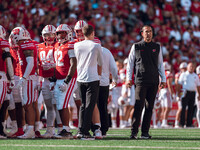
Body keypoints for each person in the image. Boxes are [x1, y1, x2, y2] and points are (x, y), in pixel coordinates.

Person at [126, 25, 166, 139]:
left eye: (150, 31)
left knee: (149, 107)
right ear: (142, 33)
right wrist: (128, 78)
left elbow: (160, 64)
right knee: (138, 106)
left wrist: (163, 79)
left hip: (153, 81)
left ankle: (145, 133)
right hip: (140, 80)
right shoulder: (136, 46)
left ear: (152, 33)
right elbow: (130, 64)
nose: (148, 33)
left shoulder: (157, 47)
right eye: (146, 32)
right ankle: (134, 132)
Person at [74, 25, 103, 139]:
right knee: (90, 105)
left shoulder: (76, 45)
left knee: (83, 105)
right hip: (92, 78)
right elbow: (100, 62)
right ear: (93, 33)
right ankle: (84, 131)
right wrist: (99, 77)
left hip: (80, 78)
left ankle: (81, 130)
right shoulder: (96, 46)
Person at [9, 27, 38, 139]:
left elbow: (30, 63)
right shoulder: (24, 45)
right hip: (27, 77)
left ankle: (30, 130)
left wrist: (24, 78)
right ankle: (29, 129)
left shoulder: (26, 44)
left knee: (28, 105)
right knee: (27, 104)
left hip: (29, 78)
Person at [53, 24, 77, 138]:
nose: (59, 35)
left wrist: (67, 80)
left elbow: (73, 64)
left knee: (63, 103)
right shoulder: (57, 45)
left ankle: (66, 130)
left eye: (62, 33)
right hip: (59, 78)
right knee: (59, 104)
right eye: (58, 33)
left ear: (68, 34)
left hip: (68, 78)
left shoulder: (71, 45)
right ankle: (63, 128)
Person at [98, 46, 118, 137]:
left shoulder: (87, 48)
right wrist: (114, 79)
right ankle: (103, 129)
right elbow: (113, 67)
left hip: (90, 81)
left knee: (91, 106)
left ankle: (92, 127)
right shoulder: (106, 51)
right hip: (104, 82)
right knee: (103, 107)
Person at [0, 25, 15, 138]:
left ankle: (2, 128)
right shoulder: (3, 42)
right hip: (1, 75)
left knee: (5, 102)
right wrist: (12, 77)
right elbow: (8, 62)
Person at [178, 62, 200, 127]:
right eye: (190, 66)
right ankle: (182, 123)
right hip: (185, 92)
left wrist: (199, 94)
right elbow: (179, 84)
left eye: (192, 67)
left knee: (191, 109)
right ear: (187, 67)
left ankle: (189, 123)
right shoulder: (183, 74)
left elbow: (198, 86)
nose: (191, 68)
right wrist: (178, 93)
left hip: (193, 93)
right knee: (183, 108)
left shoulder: (195, 76)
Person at [160, 62, 174, 128]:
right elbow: (169, 84)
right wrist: (172, 94)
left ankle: (161, 122)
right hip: (166, 91)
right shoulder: (168, 73)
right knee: (168, 108)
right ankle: (164, 122)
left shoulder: (160, 73)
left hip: (161, 91)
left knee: (163, 108)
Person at [174, 62, 187, 128]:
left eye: (185, 68)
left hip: (186, 92)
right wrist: (177, 94)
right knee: (180, 108)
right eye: (183, 68)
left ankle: (184, 122)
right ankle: (176, 122)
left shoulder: (187, 74)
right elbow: (176, 84)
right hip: (180, 92)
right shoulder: (178, 74)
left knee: (186, 109)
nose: (184, 69)